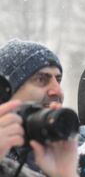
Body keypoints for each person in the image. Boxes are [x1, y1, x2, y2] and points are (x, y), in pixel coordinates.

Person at [0, 39, 65, 169]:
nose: (58, 91)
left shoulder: (76, 145)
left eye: (58, 80)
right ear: (6, 93)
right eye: (41, 79)